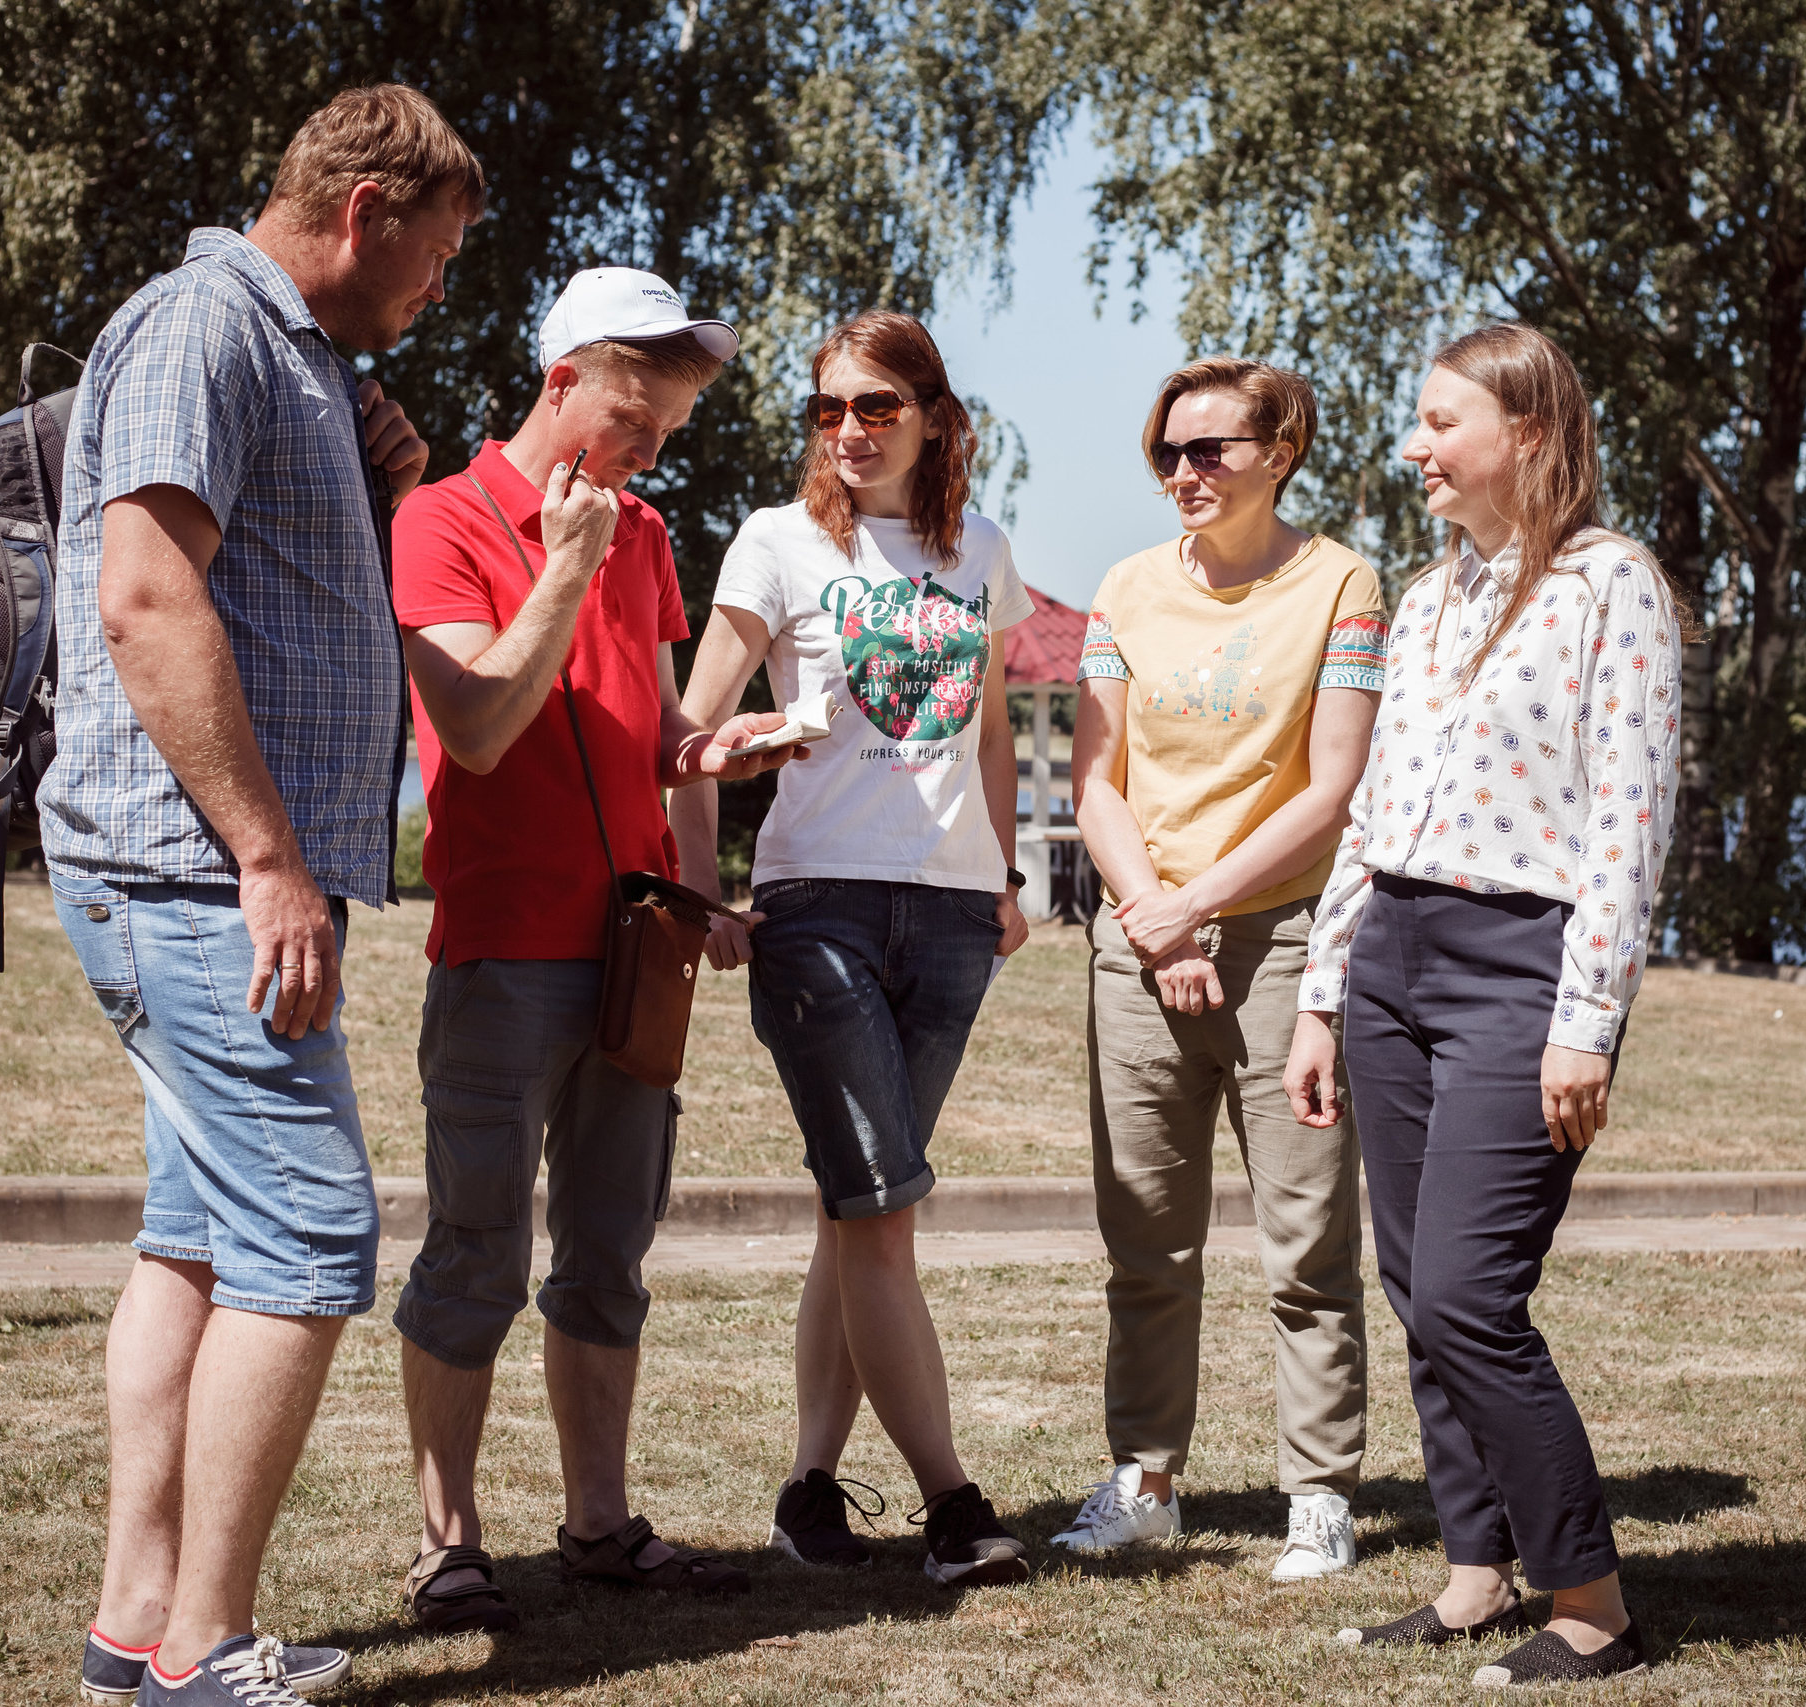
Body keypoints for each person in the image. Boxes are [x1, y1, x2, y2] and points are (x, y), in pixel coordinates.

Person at [39, 86, 483, 1707]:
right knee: (308, 1232)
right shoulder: (200, 326)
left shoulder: (288, 357)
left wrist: (364, 443)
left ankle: (132, 1631)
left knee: (204, 1240)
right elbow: (147, 598)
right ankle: (203, 1654)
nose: (435, 293)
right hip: (193, 872)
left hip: (196, 869)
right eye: (431, 261)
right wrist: (272, 857)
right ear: (362, 211)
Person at [386, 269, 797, 1629]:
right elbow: (486, 725)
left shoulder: (648, 532)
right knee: (475, 1252)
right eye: (637, 413)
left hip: (635, 954)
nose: (650, 450)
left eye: (671, 428)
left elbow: (659, 733)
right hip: (504, 950)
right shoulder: (440, 521)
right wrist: (565, 559)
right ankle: (450, 1540)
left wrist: (712, 796)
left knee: (609, 1251)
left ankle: (601, 1523)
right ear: (562, 380)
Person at [1286, 322, 1683, 1687]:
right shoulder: (1429, 593)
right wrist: (1325, 993)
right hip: (1391, 950)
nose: (1414, 447)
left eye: (1442, 422)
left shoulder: (1612, 584)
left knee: (1467, 1290)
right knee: (1413, 1284)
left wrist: (1591, 1015)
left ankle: (1592, 1601)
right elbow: (1377, 808)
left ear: (1529, 432)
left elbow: (1632, 821)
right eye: (1417, 420)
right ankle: (1474, 1571)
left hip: (1524, 966)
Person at [672, 311, 1034, 1586]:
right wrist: (697, 887)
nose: (850, 430)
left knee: (855, 1210)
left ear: (931, 414)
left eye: (877, 405)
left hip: (948, 918)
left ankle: (809, 1491)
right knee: (884, 1214)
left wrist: (1003, 871)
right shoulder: (777, 543)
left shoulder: (977, 549)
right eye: (829, 408)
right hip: (814, 911)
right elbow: (687, 733)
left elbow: (987, 727)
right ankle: (953, 1509)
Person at [1050, 358, 1385, 1580]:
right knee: (1145, 1241)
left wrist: (1196, 908)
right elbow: (1095, 778)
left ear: (1279, 451)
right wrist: (1155, 918)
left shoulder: (1342, 582)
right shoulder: (1125, 589)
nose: (1183, 474)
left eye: (1210, 451)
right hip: (1140, 942)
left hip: (1284, 944)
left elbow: (1335, 785)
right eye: (1165, 454)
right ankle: (1144, 1481)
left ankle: (1319, 1497)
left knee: (1307, 1246)